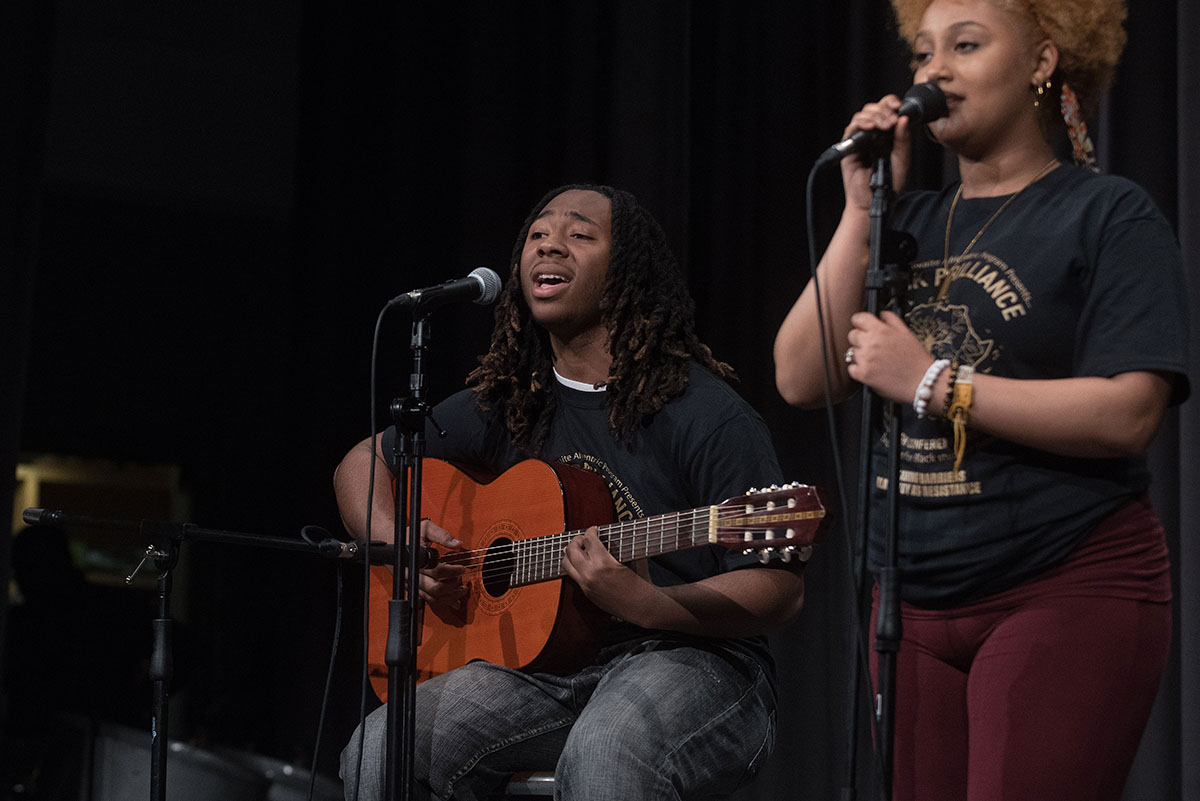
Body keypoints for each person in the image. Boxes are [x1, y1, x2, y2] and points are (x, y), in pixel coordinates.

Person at [773, 1, 1188, 799]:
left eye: (965, 46)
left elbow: (1129, 410)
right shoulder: (909, 223)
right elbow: (799, 374)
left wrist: (933, 381)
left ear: (1042, 62)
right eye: (923, 54)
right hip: (911, 609)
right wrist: (862, 212)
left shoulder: (1106, 214)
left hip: (1063, 582)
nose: (934, 72)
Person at [335, 184, 806, 801]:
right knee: (378, 750)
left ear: (626, 272)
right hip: (547, 670)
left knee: (606, 753)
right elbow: (362, 460)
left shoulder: (707, 414)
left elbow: (778, 589)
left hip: (698, 659)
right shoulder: (510, 402)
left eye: (580, 235)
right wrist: (397, 541)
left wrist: (644, 603)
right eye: (536, 235)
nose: (550, 243)